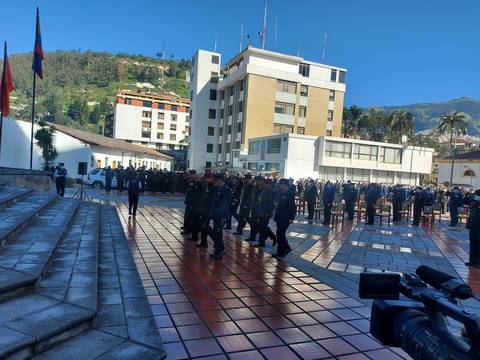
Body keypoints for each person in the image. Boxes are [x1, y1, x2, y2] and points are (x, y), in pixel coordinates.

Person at [210, 173, 231, 260]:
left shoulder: (226, 189)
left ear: (220, 180)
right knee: (217, 232)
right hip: (216, 214)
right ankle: (220, 250)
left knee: (217, 233)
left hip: (221, 215)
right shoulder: (218, 188)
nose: (215, 181)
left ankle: (219, 252)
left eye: (216, 179)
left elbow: (226, 204)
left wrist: (224, 216)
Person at [273, 178, 296, 258]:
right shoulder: (281, 193)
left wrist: (291, 218)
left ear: (284, 185)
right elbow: (277, 203)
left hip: (285, 217)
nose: (279, 186)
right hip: (279, 216)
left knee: (280, 233)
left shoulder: (290, 194)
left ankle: (287, 248)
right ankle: (280, 252)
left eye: (280, 184)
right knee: (279, 233)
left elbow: (292, 207)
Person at [256, 179, 277, 248]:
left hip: (266, 213)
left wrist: (268, 213)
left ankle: (273, 237)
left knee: (262, 227)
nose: (263, 184)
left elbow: (270, 204)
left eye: (265, 183)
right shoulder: (264, 191)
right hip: (261, 212)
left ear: (268, 184)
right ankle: (262, 243)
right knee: (262, 227)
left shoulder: (270, 192)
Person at [466, 190, 480, 268]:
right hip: (472, 224)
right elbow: (466, 201)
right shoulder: (474, 200)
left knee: (478, 244)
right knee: (473, 244)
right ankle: (472, 260)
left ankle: (478, 262)